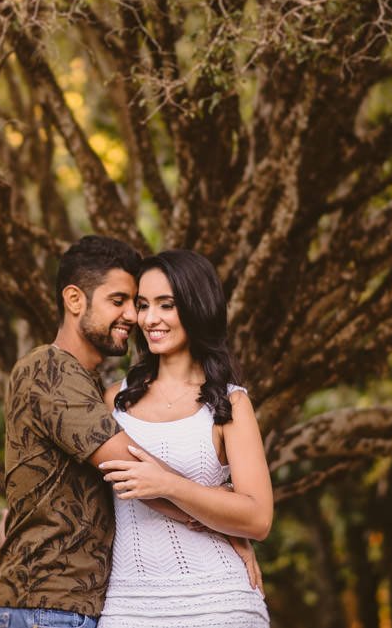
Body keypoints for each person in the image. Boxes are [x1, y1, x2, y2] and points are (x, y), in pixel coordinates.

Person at [0, 237, 259, 628]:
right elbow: (136, 472)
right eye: (121, 301)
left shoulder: (94, 388)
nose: (135, 316)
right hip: (44, 606)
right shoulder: (49, 371)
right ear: (74, 300)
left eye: (138, 303)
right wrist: (224, 517)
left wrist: (231, 515)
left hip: (74, 606)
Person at [97, 249, 273, 627]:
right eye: (143, 305)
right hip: (128, 605)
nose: (150, 319)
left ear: (196, 307)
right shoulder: (113, 401)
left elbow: (258, 518)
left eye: (167, 305)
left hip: (220, 603)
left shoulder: (230, 403)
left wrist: (170, 484)